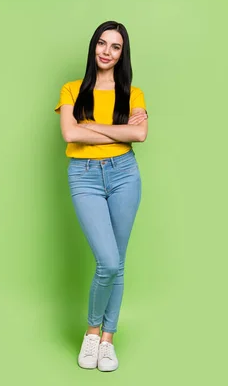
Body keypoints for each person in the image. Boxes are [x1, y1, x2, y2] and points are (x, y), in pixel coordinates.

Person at [53, 20, 148, 372]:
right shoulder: (72, 89)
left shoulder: (133, 93)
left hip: (125, 175)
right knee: (107, 261)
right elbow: (68, 134)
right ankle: (91, 332)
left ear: (122, 54)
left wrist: (90, 126)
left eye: (115, 47)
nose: (107, 52)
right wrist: (119, 131)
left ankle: (108, 339)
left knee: (118, 262)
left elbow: (139, 137)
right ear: (94, 46)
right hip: (85, 177)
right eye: (102, 44)